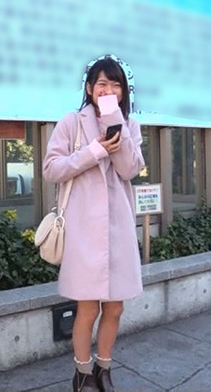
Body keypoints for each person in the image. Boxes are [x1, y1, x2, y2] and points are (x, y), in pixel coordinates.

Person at [43, 55, 145, 392]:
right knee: (87, 307)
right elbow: (51, 169)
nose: (109, 90)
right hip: (83, 229)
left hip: (118, 230)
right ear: (89, 88)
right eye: (102, 83)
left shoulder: (130, 125)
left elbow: (130, 170)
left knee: (115, 307)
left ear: (123, 92)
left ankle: (104, 369)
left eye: (116, 85)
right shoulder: (71, 122)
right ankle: (83, 373)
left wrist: (116, 127)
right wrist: (94, 151)